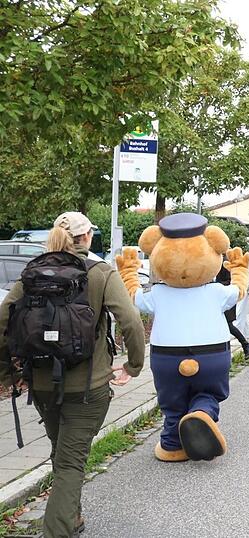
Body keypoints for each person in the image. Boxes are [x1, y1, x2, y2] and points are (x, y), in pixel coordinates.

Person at [0, 212, 146, 538]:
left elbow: (2, 322)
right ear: (88, 237)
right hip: (87, 389)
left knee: (62, 452)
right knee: (70, 462)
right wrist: (133, 366)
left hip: (42, 386)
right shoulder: (100, 272)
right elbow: (131, 321)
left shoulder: (31, 274)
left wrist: (8, 375)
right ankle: (58, 531)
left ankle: (72, 517)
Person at [216, 258, 249, 359]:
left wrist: (216, 286)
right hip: (215, 298)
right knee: (221, 326)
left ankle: (245, 344)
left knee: (228, 325)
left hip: (226, 297)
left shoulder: (224, 263)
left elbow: (231, 281)